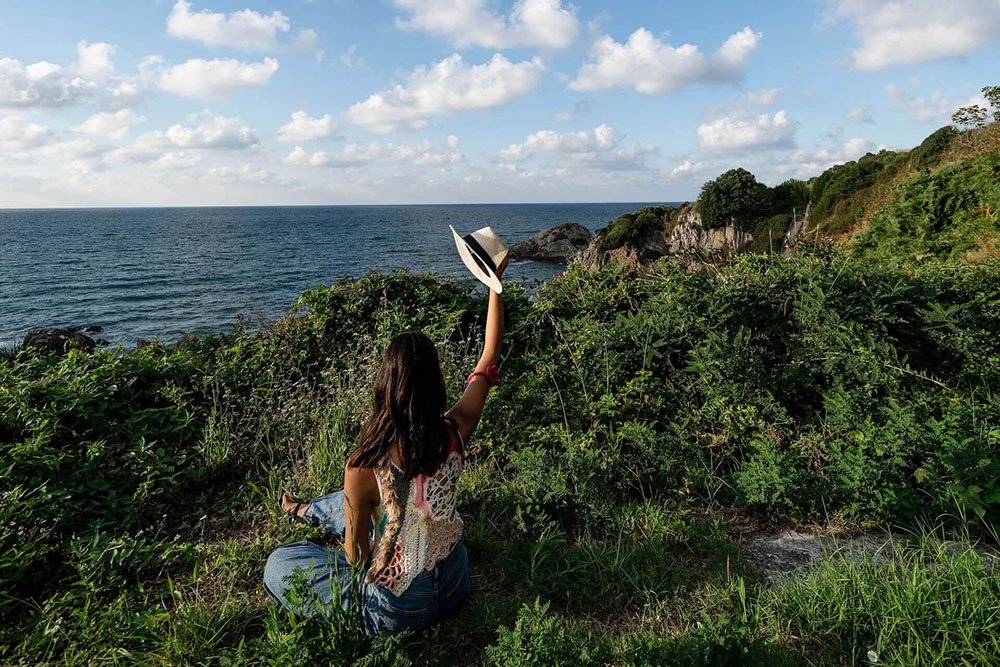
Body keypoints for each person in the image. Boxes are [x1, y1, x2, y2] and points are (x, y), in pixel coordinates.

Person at [263, 255, 507, 635]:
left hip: (402, 609)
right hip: (455, 583)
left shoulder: (363, 466)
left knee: (282, 562)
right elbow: (489, 352)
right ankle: (308, 509)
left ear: (385, 388)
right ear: (436, 385)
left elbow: (357, 560)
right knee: (354, 501)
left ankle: (308, 511)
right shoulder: (456, 429)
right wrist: (494, 285)